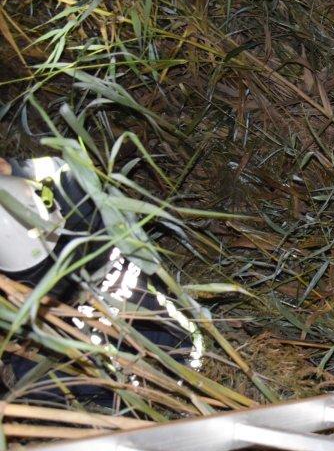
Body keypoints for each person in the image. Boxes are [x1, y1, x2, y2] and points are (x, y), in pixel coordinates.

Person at [0, 154, 205, 401]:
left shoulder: (62, 182)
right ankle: (115, 401)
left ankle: (160, 388)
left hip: (120, 288)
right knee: (28, 378)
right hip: (66, 327)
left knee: (168, 333)